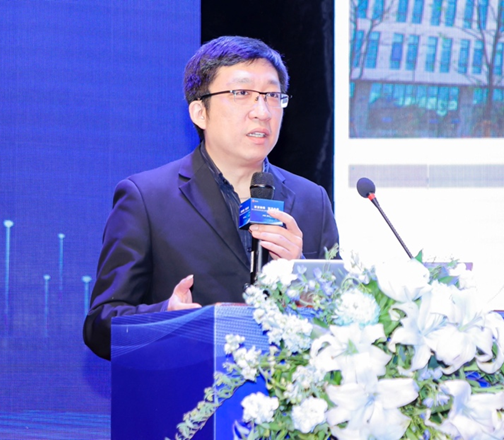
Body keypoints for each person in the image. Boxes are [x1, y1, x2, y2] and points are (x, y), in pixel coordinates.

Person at [83, 36, 339, 360]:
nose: (262, 111)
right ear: (199, 112)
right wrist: (166, 318)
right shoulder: (146, 199)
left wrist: (301, 277)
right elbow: (100, 326)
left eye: (272, 95)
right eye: (241, 93)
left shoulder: (312, 200)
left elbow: (342, 322)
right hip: (187, 388)